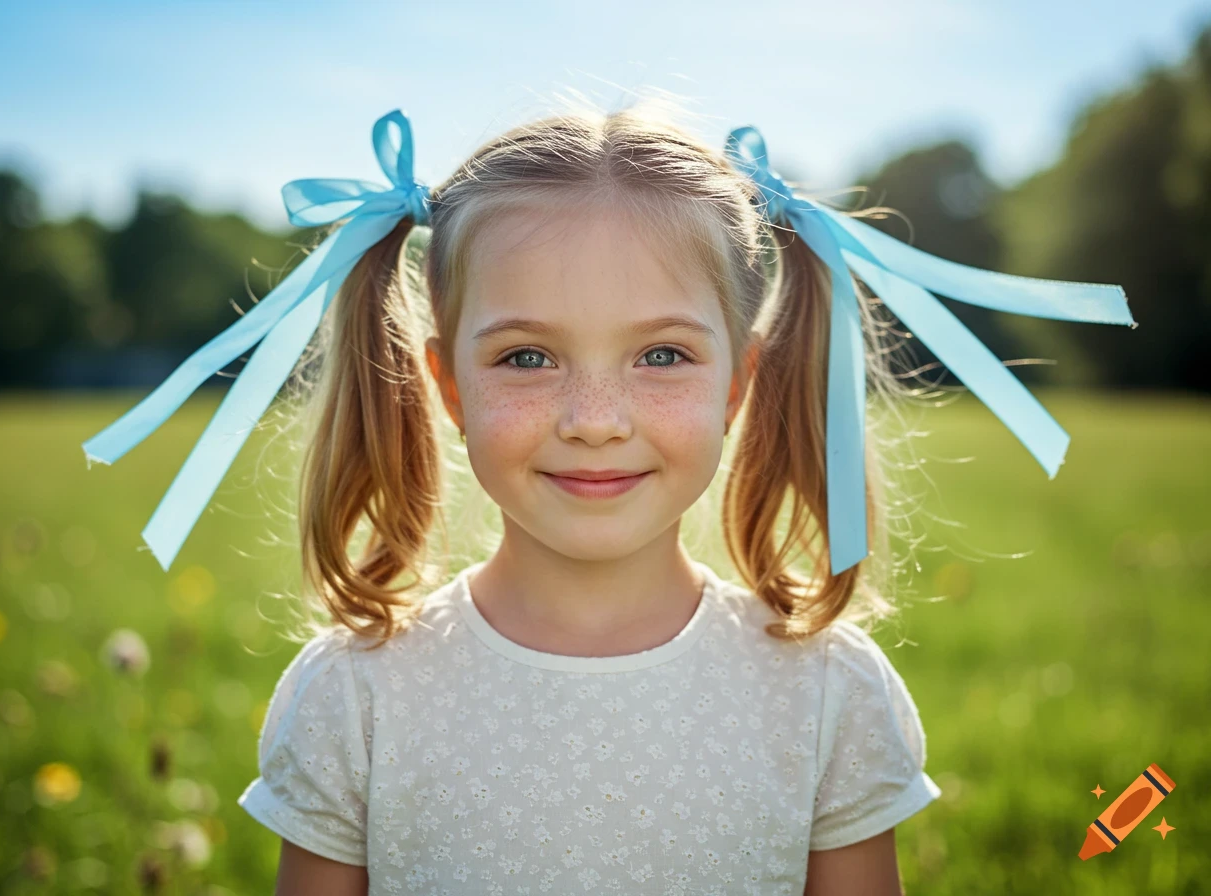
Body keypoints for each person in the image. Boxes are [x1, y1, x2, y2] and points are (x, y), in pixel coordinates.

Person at [235, 96, 949, 895]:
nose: (595, 422)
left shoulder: (826, 694)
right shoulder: (354, 698)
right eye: (528, 359)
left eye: (663, 354)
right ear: (451, 387)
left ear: (737, 384)